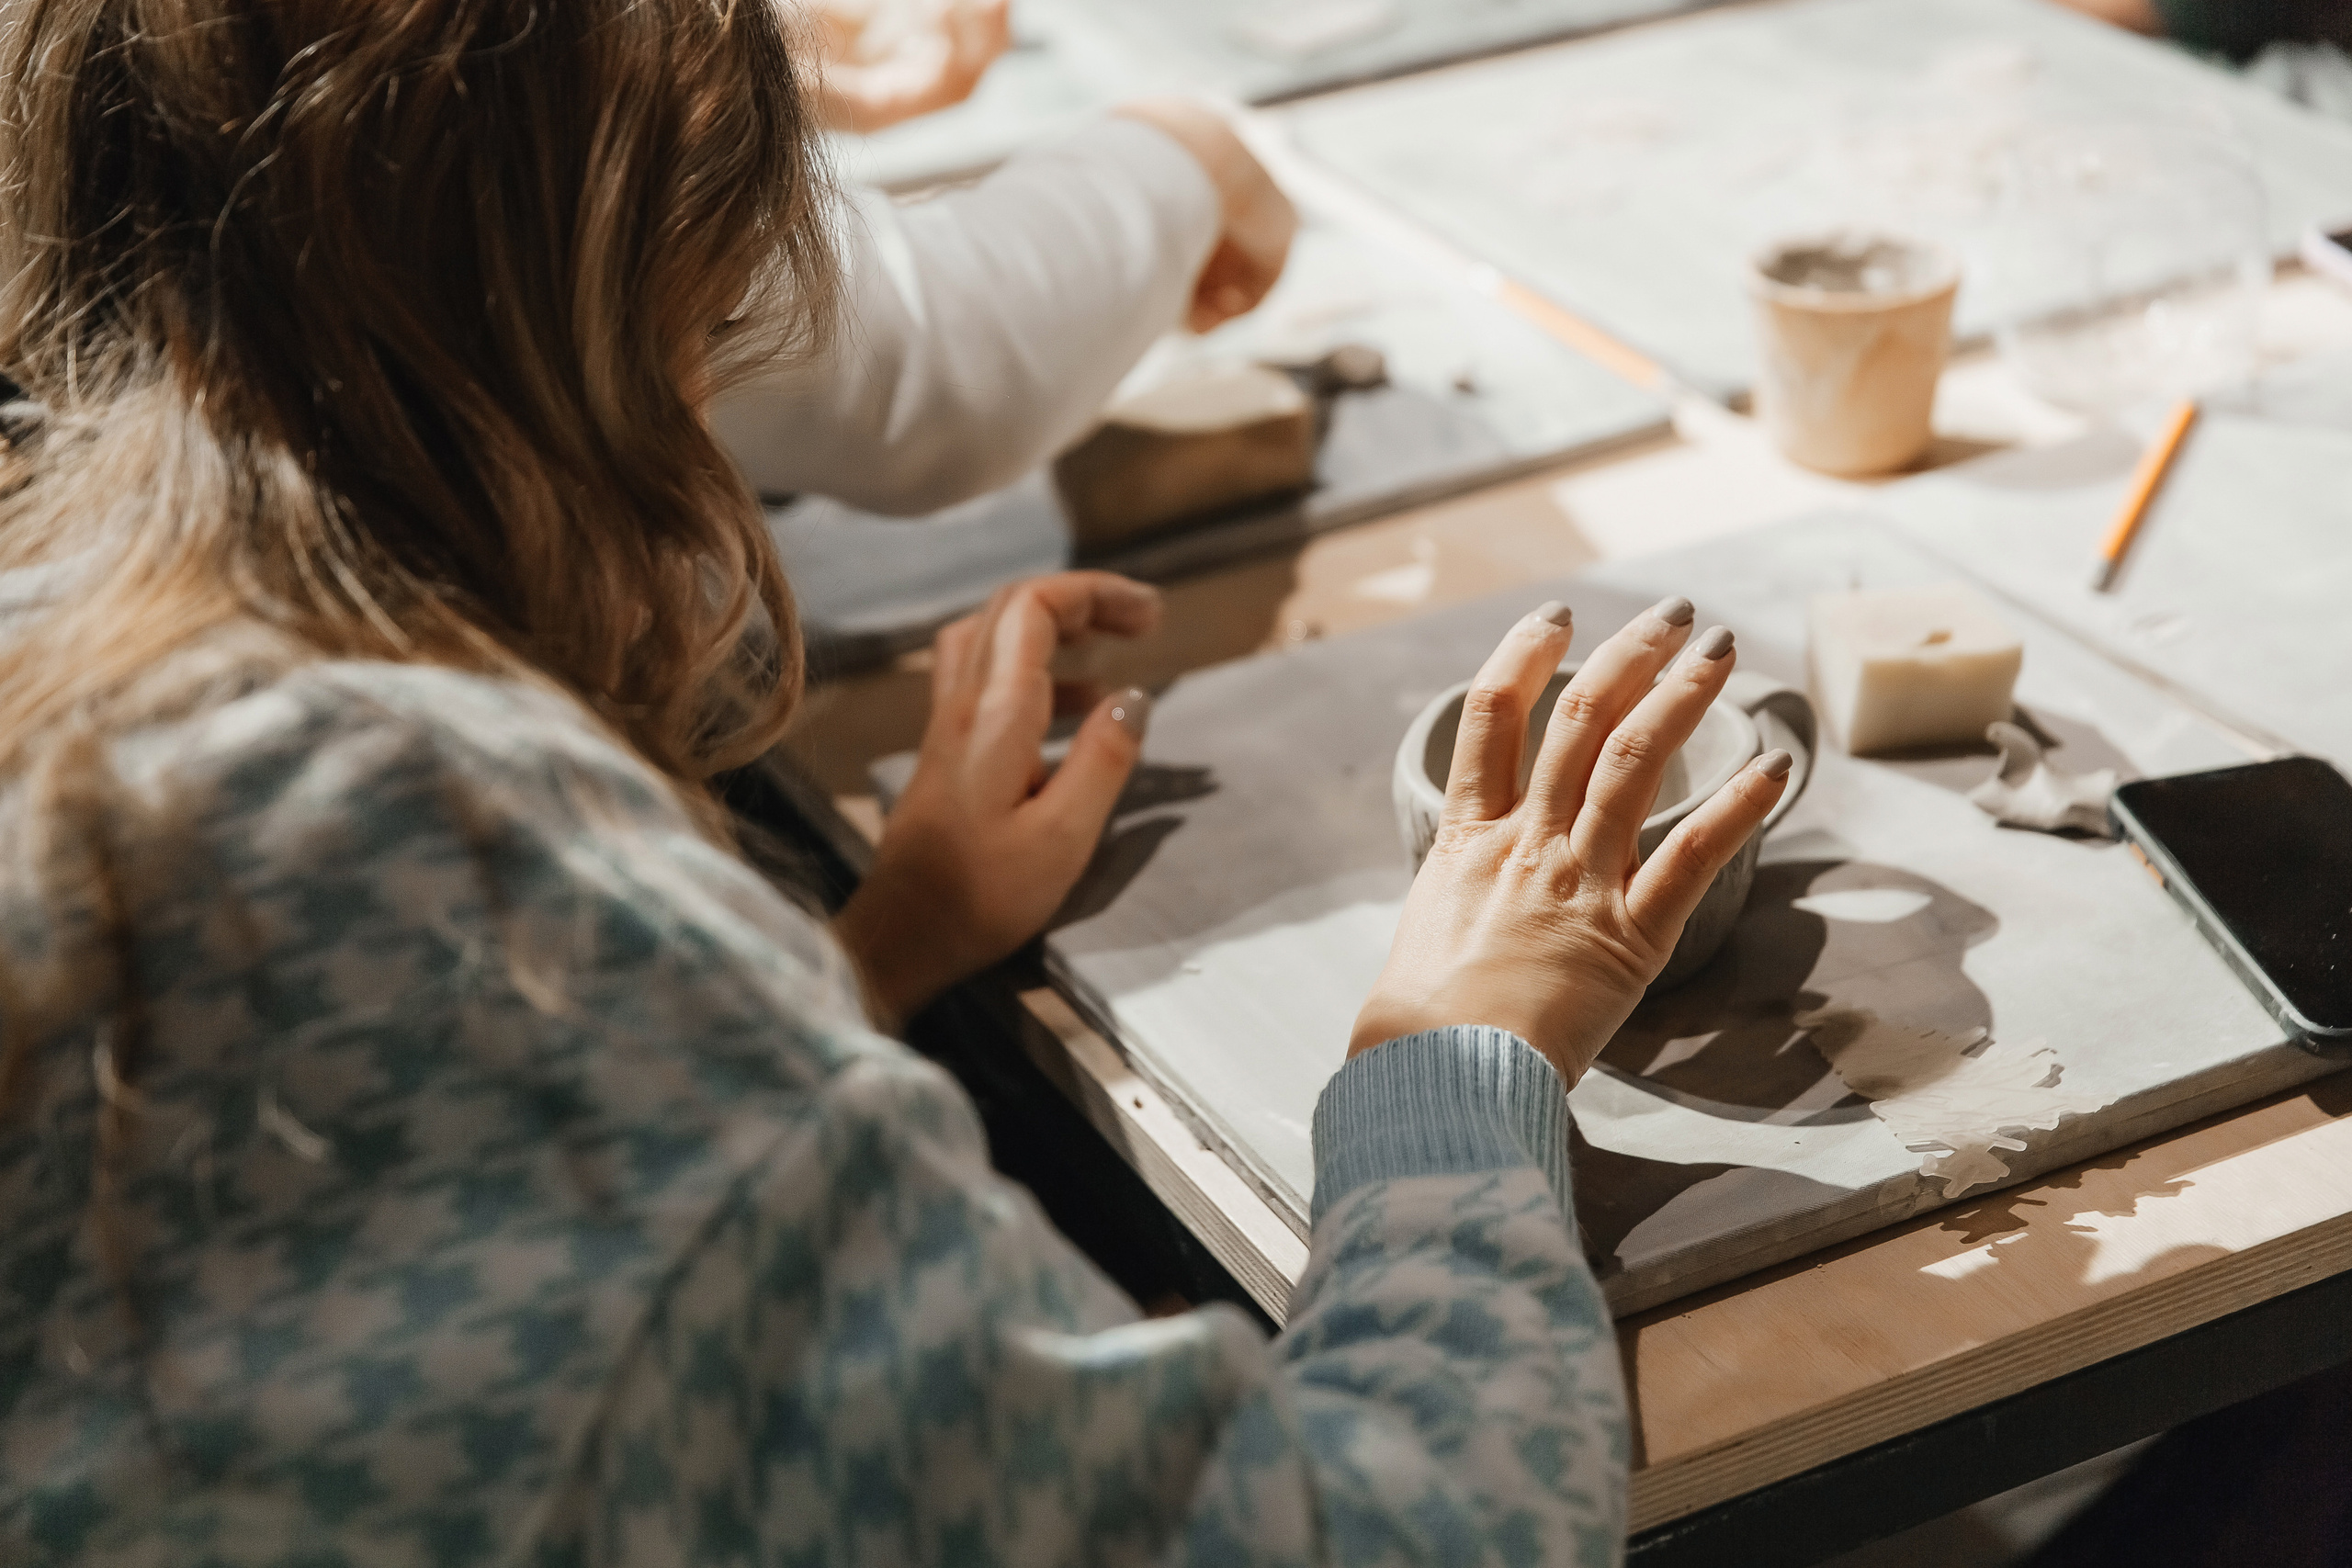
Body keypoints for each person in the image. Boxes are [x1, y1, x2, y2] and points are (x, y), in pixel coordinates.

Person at [0, 5, 1791, 1566]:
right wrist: (1449, 1054)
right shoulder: (451, 874)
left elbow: (426, 1273)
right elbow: (1389, 1531)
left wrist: (858, 951)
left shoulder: (88, 670)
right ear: (650, 310)